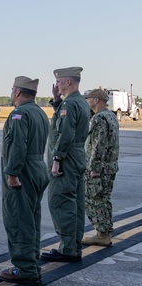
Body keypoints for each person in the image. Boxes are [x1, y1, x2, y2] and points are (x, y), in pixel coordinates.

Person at [0, 76, 49, 285]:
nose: (11, 94)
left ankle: (25, 268)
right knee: (32, 220)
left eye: (12, 90)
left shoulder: (19, 114)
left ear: (18, 92)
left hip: (23, 171)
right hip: (38, 168)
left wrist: (12, 173)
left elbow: (17, 145)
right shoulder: (40, 112)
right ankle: (32, 262)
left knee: (19, 220)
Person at [42, 67, 90, 262]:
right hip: (78, 156)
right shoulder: (80, 102)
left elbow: (66, 132)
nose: (57, 86)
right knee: (76, 203)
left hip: (67, 159)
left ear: (68, 82)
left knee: (60, 201)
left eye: (60, 82)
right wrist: (56, 101)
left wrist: (57, 159)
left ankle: (68, 249)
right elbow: (68, 123)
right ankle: (74, 245)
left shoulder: (69, 104)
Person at [82, 88, 120, 246]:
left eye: (89, 98)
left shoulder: (99, 119)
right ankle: (104, 231)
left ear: (96, 100)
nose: (87, 101)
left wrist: (94, 168)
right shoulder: (110, 116)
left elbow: (99, 145)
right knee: (104, 199)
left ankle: (102, 234)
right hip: (110, 167)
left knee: (94, 199)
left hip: (99, 168)